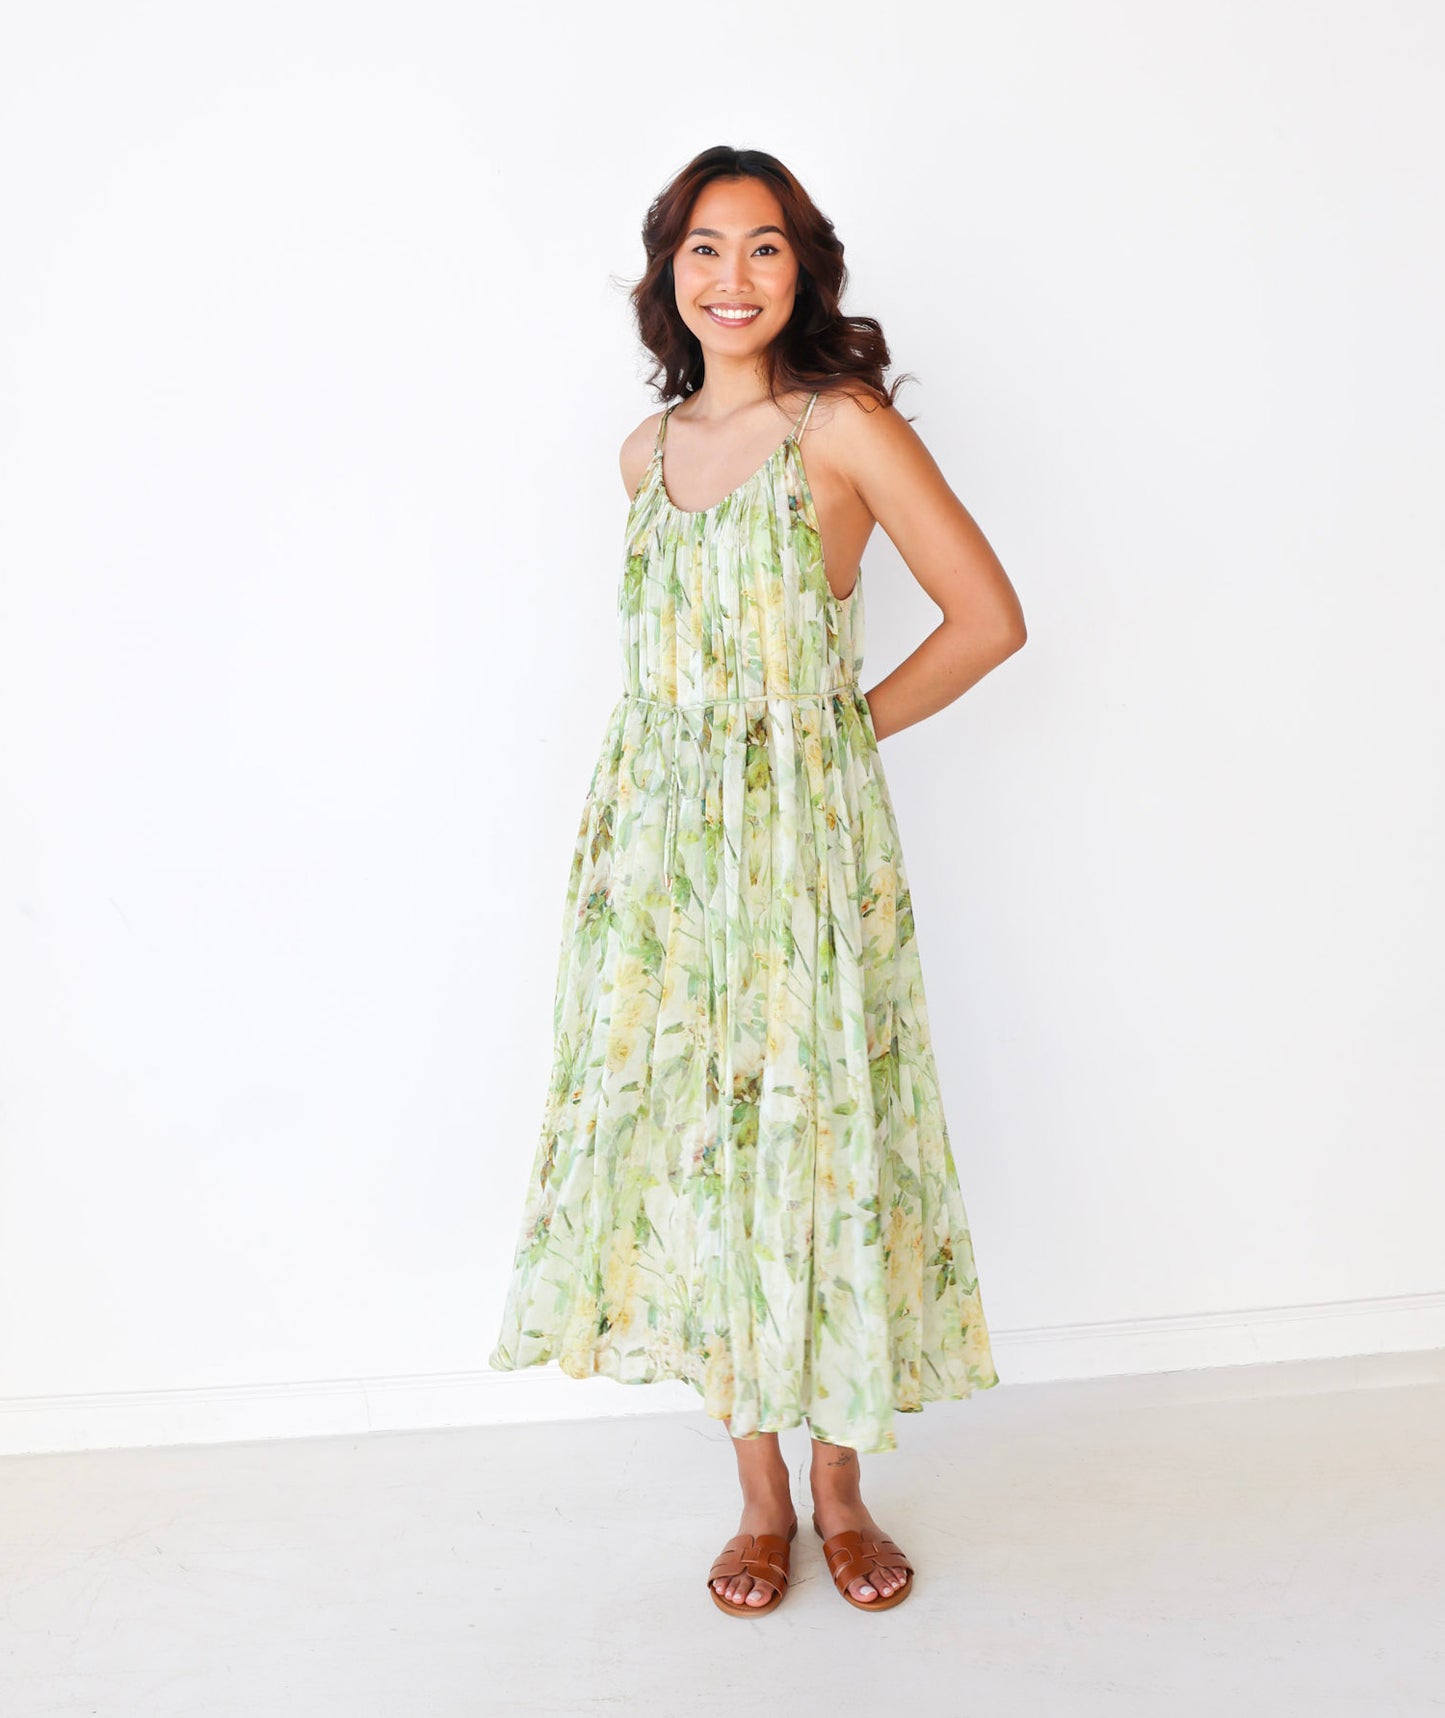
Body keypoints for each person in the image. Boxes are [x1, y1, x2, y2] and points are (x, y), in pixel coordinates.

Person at [489, 144, 1027, 1617]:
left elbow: (986, 619)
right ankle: (757, 1498)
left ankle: (845, 1490)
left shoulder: (839, 429)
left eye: (765, 248)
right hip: (657, 865)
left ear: (806, 270)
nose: (734, 277)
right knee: (702, 1160)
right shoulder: (641, 456)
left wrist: (833, 736)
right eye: (705, 248)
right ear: (668, 272)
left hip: (803, 852)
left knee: (827, 1142)